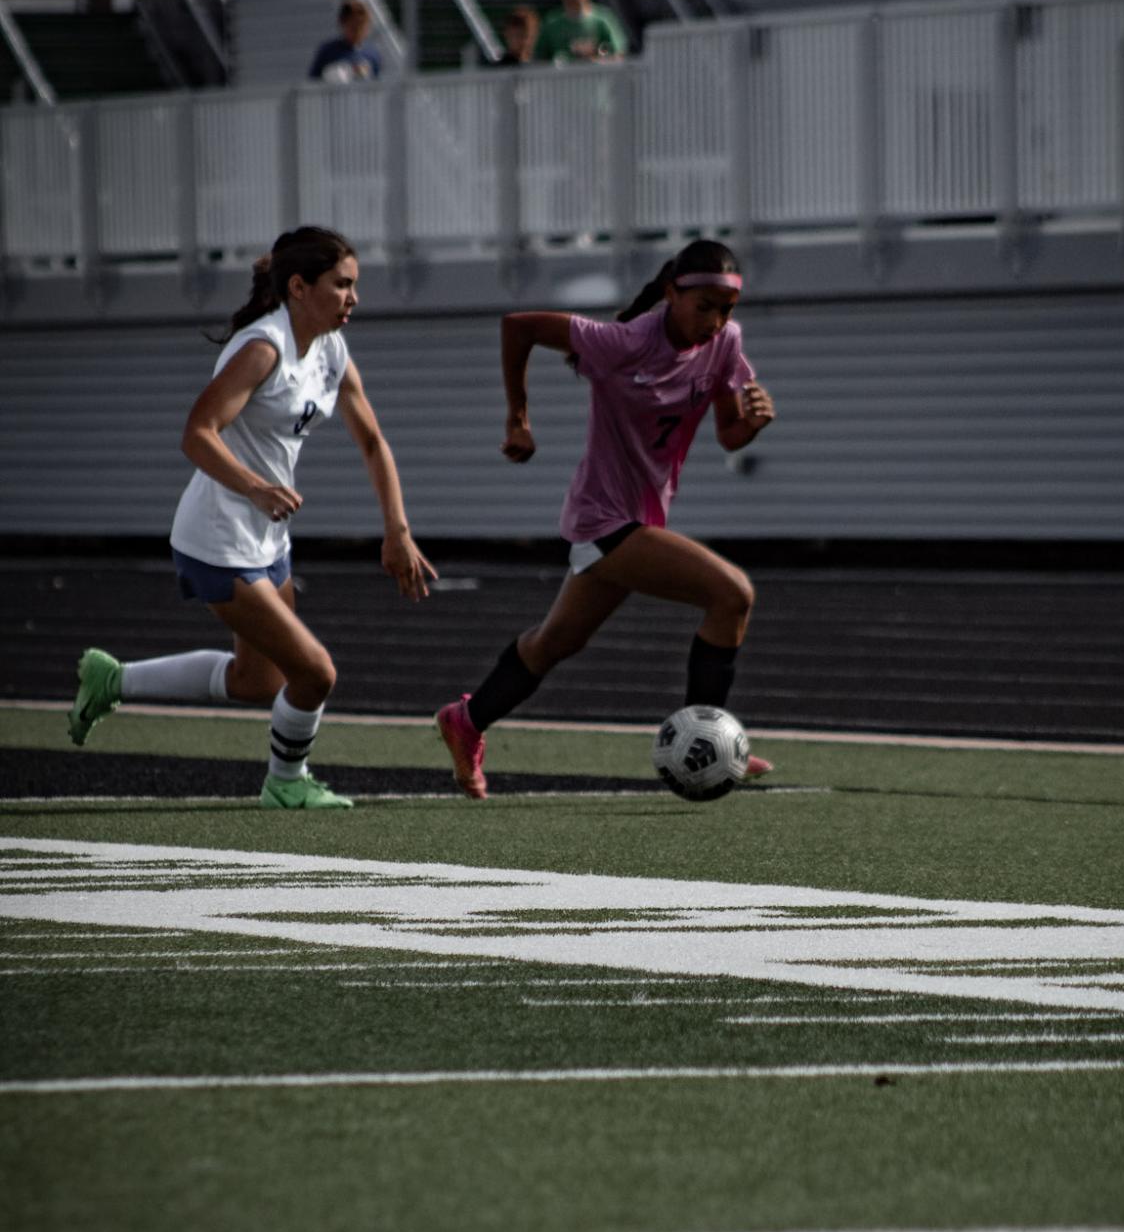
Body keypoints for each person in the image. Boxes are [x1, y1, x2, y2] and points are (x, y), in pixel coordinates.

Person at [68, 227, 437, 810]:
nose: (353, 298)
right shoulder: (262, 350)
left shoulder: (330, 351)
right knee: (315, 673)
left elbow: (372, 441)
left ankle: (113, 681)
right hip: (216, 539)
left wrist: (398, 531)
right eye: (342, 284)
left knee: (259, 681)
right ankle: (286, 782)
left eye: (354, 285)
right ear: (299, 287)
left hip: (266, 538)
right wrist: (257, 487)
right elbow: (196, 435)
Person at [435, 238, 775, 798]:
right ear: (671, 294)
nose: (716, 321)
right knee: (731, 594)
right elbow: (518, 326)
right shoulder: (623, 342)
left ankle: (464, 721)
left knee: (553, 644)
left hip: (641, 521)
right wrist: (518, 419)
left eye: (727, 309)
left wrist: (753, 425)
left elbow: (729, 432)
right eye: (704, 307)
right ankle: (707, 742)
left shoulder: (724, 345)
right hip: (603, 519)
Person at [534, 0, 628, 64]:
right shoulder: (551, 23)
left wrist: (594, 55)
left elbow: (618, 54)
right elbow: (539, 60)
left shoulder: (603, 20)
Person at [308, 1, 381, 84]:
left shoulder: (372, 54)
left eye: (362, 27)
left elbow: (376, 87)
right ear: (342, 23)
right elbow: (312, 83)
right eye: (353, 27)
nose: (358, 32)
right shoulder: (327, 51)